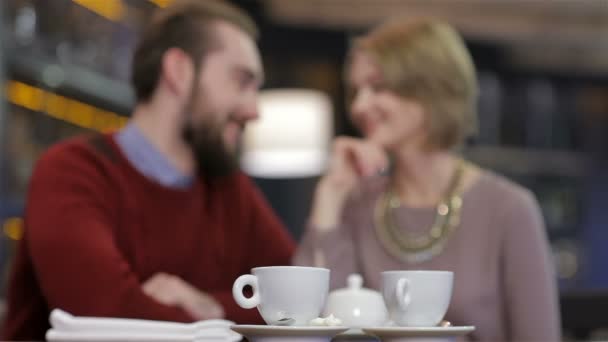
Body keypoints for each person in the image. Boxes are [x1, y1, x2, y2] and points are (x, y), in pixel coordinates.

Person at [2, 0, 295, 340]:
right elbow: (108, 316)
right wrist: (230, 317)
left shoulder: (229, 189)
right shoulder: (71, 172)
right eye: (242, 81)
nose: (254, 110)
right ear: (179, 71)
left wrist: (210, 306)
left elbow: (295, 303)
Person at [294, 17, 561, 341]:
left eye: (377, 87)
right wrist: (330, 194)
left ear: (430, 88)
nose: (359, 106)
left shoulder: (509, 209)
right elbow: (310, 323)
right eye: (355, 91)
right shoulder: (357, 202)